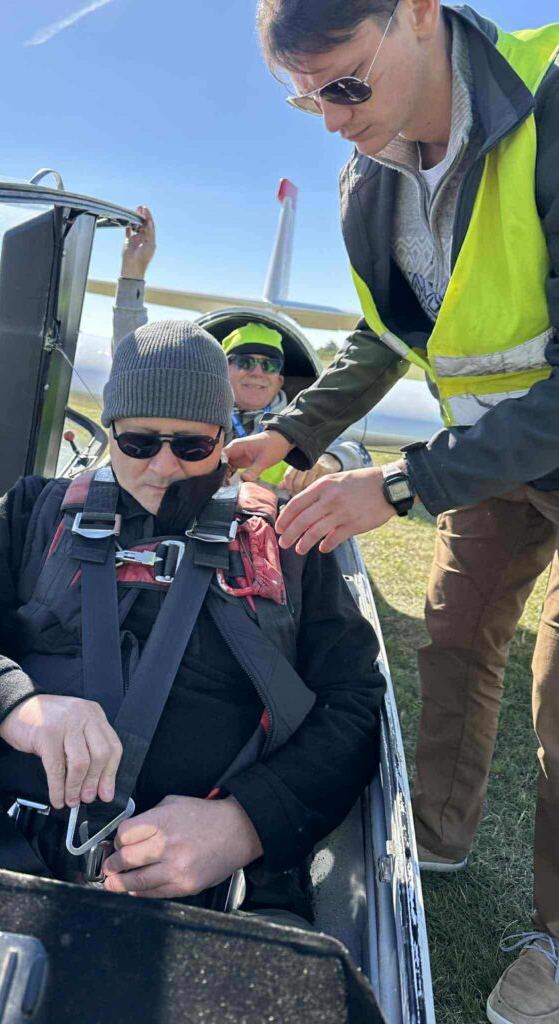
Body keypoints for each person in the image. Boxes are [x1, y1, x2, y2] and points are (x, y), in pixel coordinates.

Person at [226, 2, 559, 1019]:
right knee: (454, 638)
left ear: (417, 12)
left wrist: (399, 485)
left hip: (483, 455)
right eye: (307, 100)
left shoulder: (550, 100)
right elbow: (384, 338)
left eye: (344, 84)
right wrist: (291, 435)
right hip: (493, 463)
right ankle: (440, 835)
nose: (331, 118)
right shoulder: (363, 178)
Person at [0, 319, 384, 909]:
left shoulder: (285, 539)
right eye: (139, 443)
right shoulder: (38, 513)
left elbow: (354, 700)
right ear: (111, 431)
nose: (163, 467)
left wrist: (246, 823)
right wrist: (16, 706)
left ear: (225, 438)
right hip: (5, 848)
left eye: (192, 446)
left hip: (218, 890)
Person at [113, 206, 368, 492]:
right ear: (223, 372)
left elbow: (358, 452)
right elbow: (132, 364)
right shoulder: (190, 414)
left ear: (280, 381)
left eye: (270, 365)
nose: (258, 372)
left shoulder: (297, 425)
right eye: (245, 361)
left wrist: (331, 461)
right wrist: (132, 272)